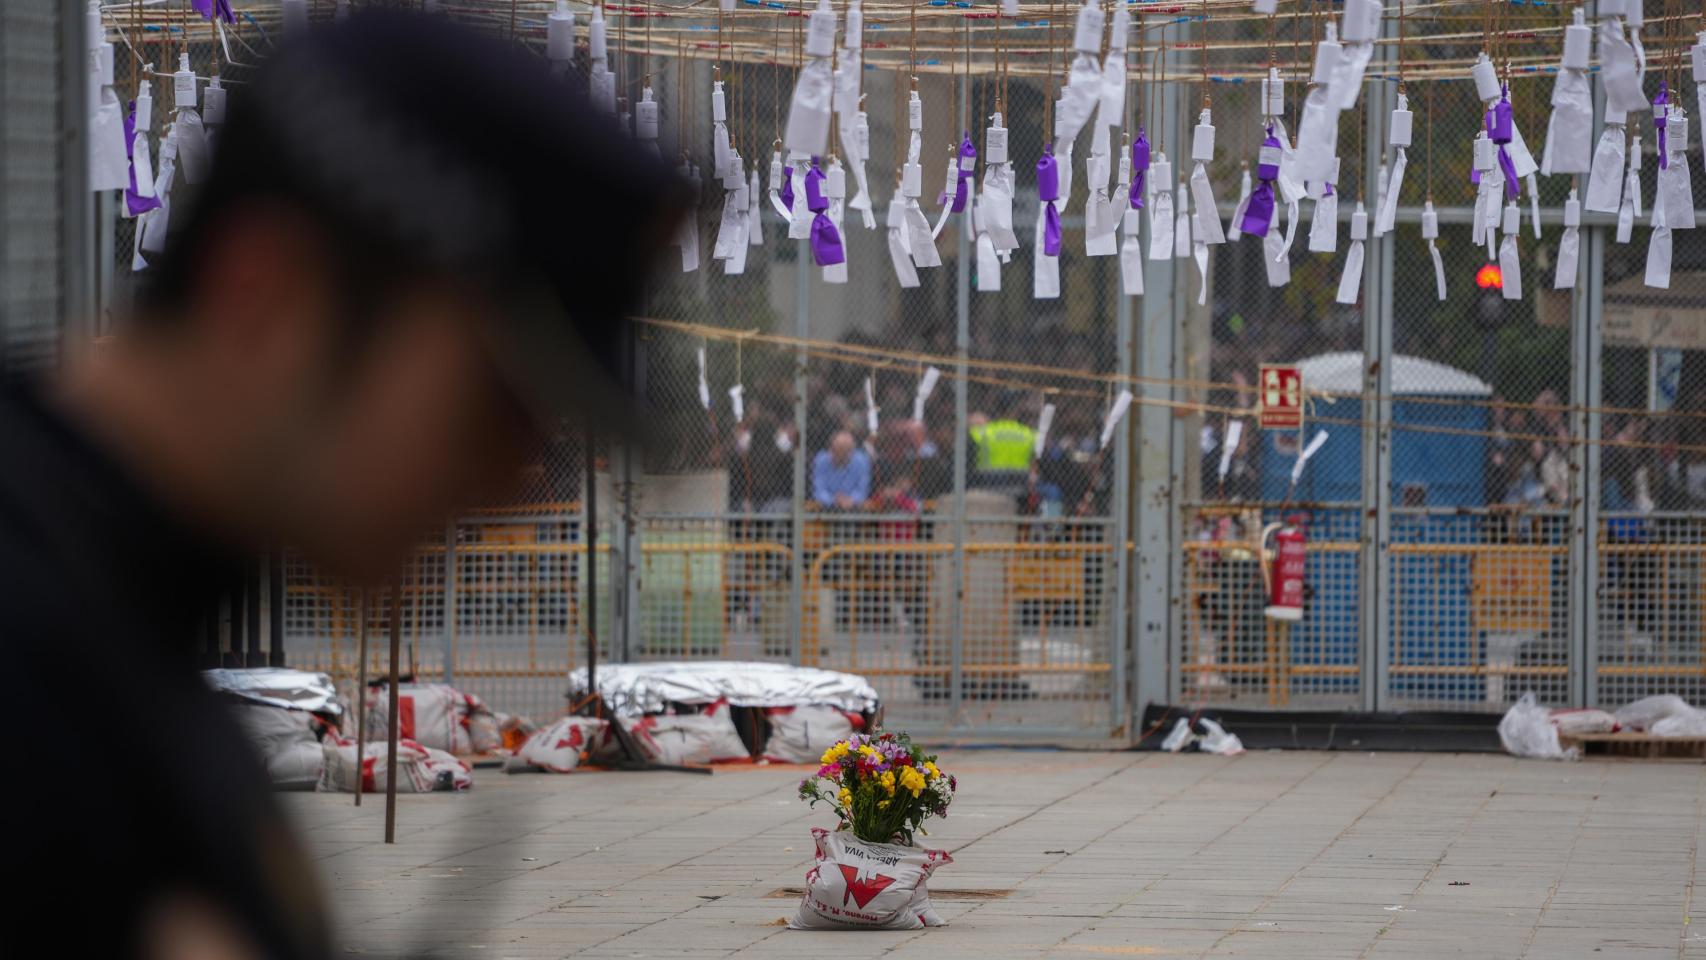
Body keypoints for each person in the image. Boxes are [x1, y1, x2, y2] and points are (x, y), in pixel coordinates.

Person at [0, 12, 686, 960]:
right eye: (490, 410)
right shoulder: (39, 658)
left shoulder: (133, 659)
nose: (503, 483)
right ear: (270, 296)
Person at [812, 430, 872, 509]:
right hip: (826, 506)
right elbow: (819, 490)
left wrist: (851, 500)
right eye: (835, 450)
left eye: (844, 451)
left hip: (854, 506)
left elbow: (862, 490)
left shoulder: (861, 461)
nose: (839, 454)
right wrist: (833, 500)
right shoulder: (821, 460)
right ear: (830, 448)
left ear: (851, 451)